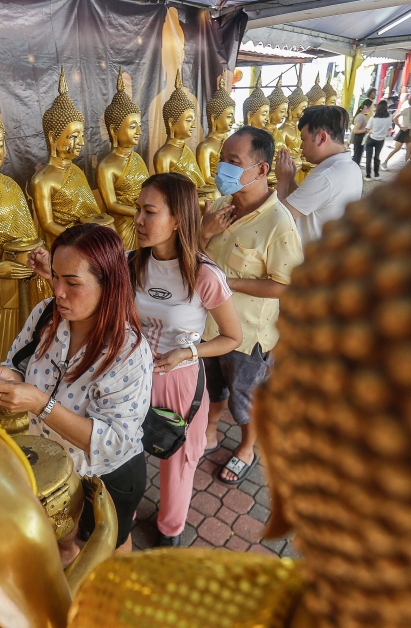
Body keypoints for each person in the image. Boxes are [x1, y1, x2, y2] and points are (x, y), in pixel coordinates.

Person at [0, 224, 153, 556]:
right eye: (55, 277)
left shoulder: (129, 352)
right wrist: (7, 377)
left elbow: (113, 442)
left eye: (72, 283)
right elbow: (19, 364)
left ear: (109, 285)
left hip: (105, 475)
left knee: (110, 544)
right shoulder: (45, 315)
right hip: (54, 464)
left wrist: (40, 403)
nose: (58, 291)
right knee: (65, 535)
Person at [129, 173, 243, 546]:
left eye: (149, 211)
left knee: (178, 461)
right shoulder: (130, 264)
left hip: (179, 382)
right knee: (124, 453)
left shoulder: (204, 274)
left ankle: (169, 530)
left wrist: (189, 352)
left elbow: (232, 337)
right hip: (129, 378)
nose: (138, 220)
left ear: (178, 218)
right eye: (137, 210)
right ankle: (120, 516)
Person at [199, 127, 303, 485]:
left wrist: (230, 284)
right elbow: (196, 256)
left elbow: (286, 286)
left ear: (261, 170)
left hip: (247, 337)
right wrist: (204, 232)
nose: (223, 168)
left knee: (245, 401)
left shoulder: (279, 224)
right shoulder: (218, 206)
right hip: (207, 328)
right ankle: (210, 430)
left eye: (233, 162)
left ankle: (246, 447)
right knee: (212, 388)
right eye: (222, 159)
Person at [275, 106, 363, 243]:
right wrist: (291, 179)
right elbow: (307, 203)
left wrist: (283, 180)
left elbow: (278, 219)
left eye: (304, 140)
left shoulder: (326, 176)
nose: (301, 147)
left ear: (322, 138)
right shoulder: (351, 167)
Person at [383, 93, 411, 168]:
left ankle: (406, 166)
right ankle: (385, 162)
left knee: (409, 149)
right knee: (397, 148)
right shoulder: (406, 110)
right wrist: (400, 126)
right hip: (404, 131)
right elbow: (395, 118)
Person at [364, 100, 392, 181]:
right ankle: (376, 174)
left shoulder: (373, 118)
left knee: (368, 158)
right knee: (377, 157)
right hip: (381, 140)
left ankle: (368, 175)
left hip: (371, 138)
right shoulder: (389, 117)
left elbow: (368, 128)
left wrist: (372, 131)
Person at [349, 99, 373, 166]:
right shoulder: (360, 116)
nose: (371, 109)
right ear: (366, 107)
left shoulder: (362, 115)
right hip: (358, 138)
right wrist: (366, 130)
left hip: (360, 138)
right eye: (370, 107)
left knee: (358, 155)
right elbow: (356, 131)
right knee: (357, 156)